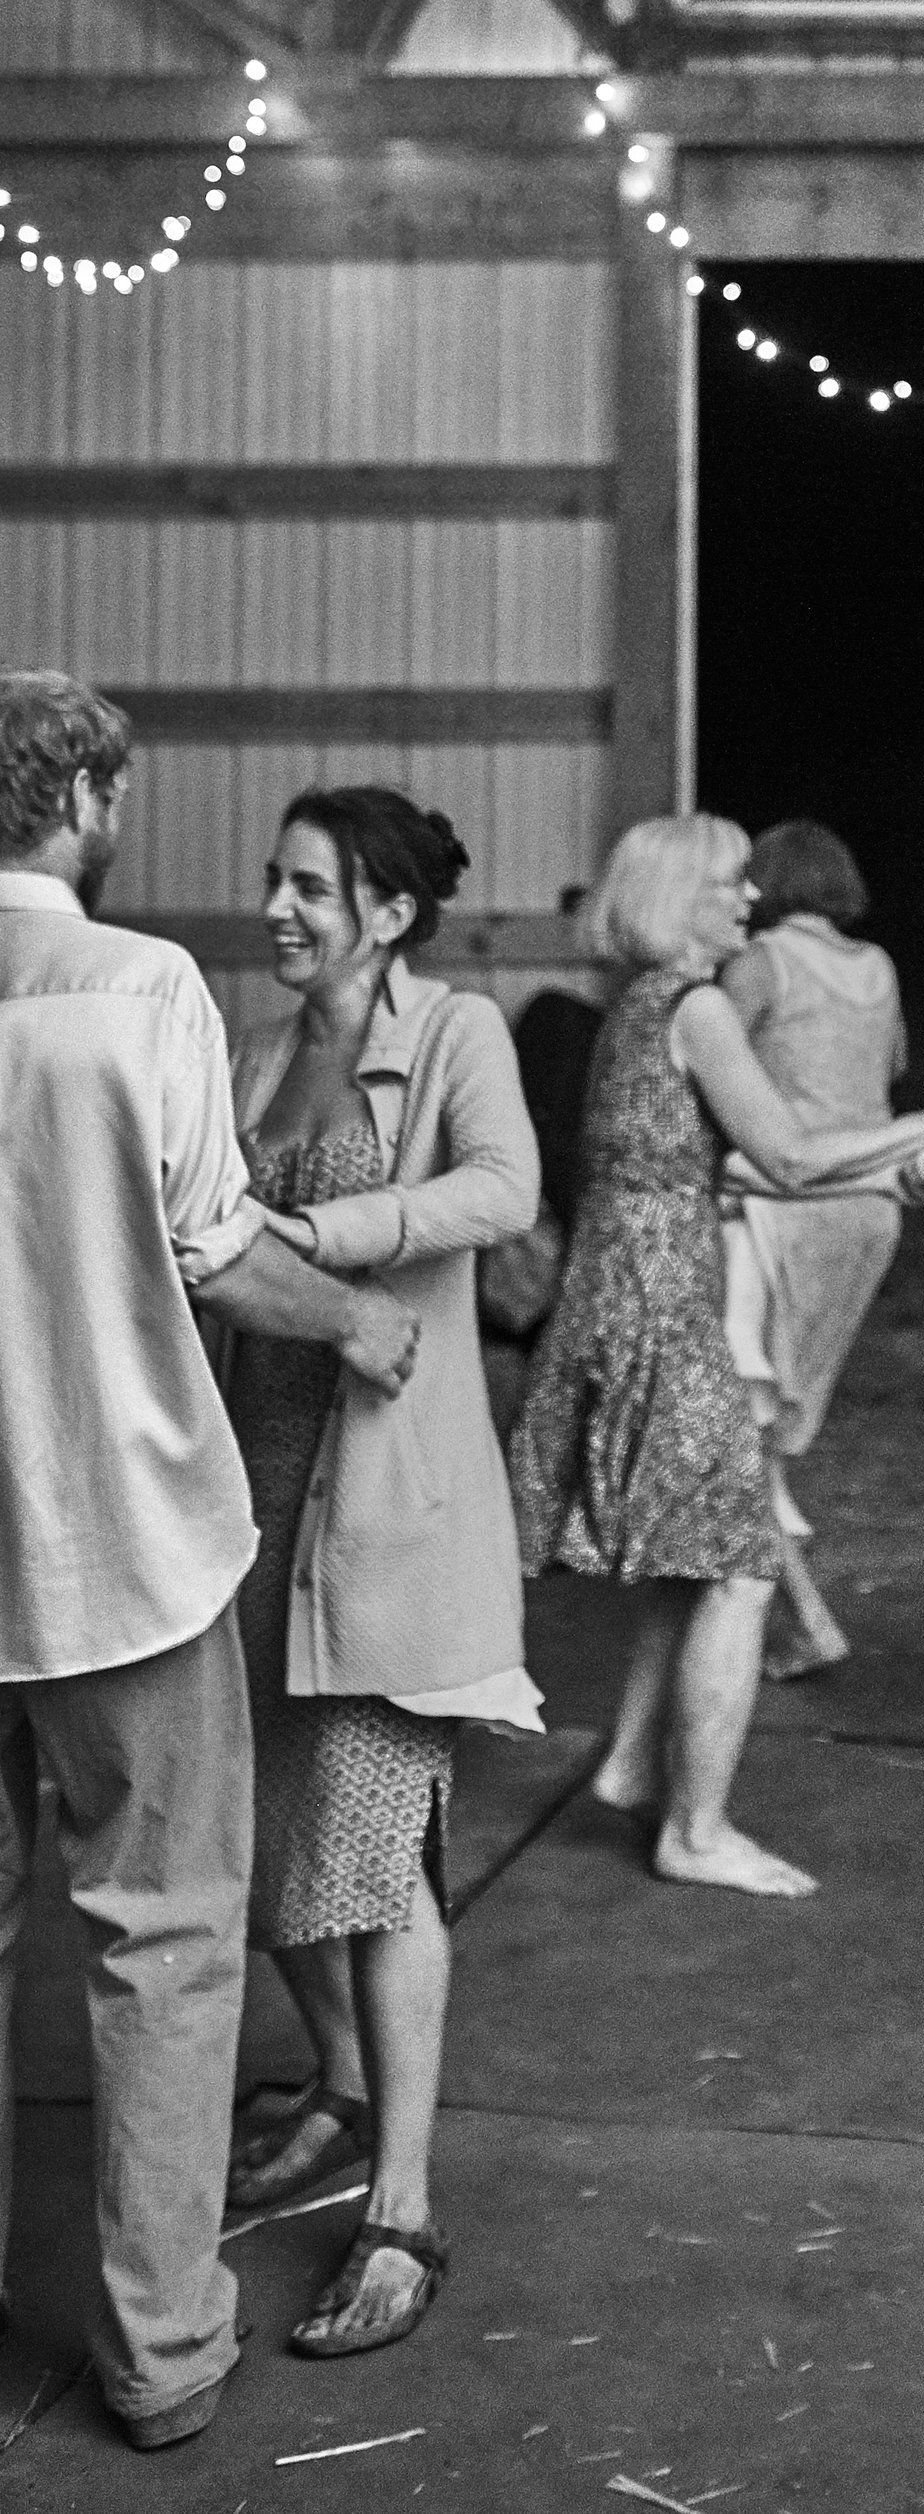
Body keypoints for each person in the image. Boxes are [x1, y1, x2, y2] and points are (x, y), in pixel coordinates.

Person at [0, 675, 418, 2452]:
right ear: (85, 793)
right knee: (164, 1943)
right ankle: (163, 2350)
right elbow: (218, 1250)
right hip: (112, 1547)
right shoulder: (136, 985)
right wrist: (368, 1325)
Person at [508, 814, 924, 1897]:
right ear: (678, 897)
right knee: (737, 1563)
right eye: (730, 886)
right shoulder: (698, 1006)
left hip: (623, 1295)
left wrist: (889, 1161)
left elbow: (728, 1161)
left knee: (694, 1551)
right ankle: (698, 1827)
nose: (748, 902)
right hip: (664, 1308)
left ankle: (635, 1767)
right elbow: (785, 1150)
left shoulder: (636, 1006)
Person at [220, 786, 542, 2361]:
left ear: (388, 913)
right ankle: (340, 2083)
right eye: (274, 881)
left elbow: (504, 1191)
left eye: (309, 886)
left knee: (379, 1847)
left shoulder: (460, 1029)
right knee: (270, 1844)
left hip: (389, 1491)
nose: (277, 908)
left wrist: (329, 1229)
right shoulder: (256, 1047)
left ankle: (402, 2207)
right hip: (247, 1498)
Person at [717, 819, 911, 1680]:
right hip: (869, 1207)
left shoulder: (760, 964)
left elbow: (708, 1071)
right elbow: (893, 1064)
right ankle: (794, 1612)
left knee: (739, 1427)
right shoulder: (878, 966)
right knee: (769, 1432)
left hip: (778, 1206)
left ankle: (798, 1619)